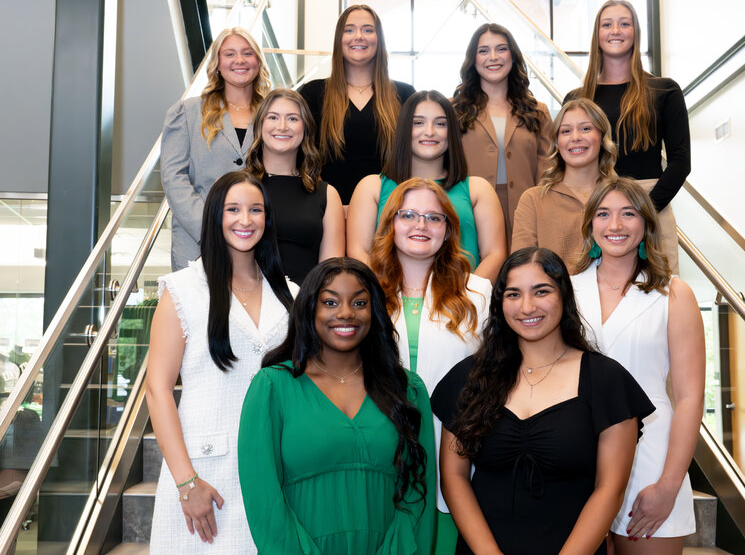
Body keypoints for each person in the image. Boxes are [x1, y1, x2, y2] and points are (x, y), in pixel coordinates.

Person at [432, 247, 655, 555]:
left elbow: (610, 490)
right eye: (513, 294)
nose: (527, 307)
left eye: (541, 291)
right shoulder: (469, 378)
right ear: (499, 304)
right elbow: (454, 478)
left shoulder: (607, 381)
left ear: (564, 296)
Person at [238, 258, 436, 554]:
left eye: (359, 303)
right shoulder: (271, 388)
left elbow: (420, 493)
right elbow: (264, 503)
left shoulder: (408, 389)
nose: (346, 313)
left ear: (375, 312)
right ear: (309, 310)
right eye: (330, 302)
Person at [146, 171, 296, 553]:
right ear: (215, 216)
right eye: (233, 209)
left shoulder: (291, 294)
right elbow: (158, 389)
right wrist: (186, 482)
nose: (245, 220)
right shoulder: (182, 290)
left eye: (255, 210)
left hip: (275, 474)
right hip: (204, 477)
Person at [571, 177, 705, 554]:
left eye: (628, 214)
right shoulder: (564, 289)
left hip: (652, 459)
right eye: (603, 214)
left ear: (646, 224)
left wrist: (669, 485)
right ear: (589, 226)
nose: (615, 225)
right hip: (578, 455)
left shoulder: (673, 293)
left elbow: (690, 397)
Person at [370, 178, 490, 553]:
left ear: (449, 230)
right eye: (408, 215)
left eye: (433, 218)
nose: (420, 225)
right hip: (379, 457)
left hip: (455, 463)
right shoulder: (362, 293)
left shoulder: (480, 294)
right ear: (390, 224)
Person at [566, 0, 689, 272]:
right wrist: (596, 210)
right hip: (594, 206)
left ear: (635, 33)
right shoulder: (577, 98)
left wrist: (642, 211)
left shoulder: (664, 91)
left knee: (659, 297)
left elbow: (681, 161)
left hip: (651, 203)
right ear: (597, 35)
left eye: (625, 23)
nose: (615, 30)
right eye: (607, 24)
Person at [347, 90, 507, 284]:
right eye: (418, 122)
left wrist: (469, 298)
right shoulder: (371, 187)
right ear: (404, 129)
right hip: (389, 304)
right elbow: (358, 252)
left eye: (440, 123)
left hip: (463, 306)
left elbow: (495, 255)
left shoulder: (478, 189)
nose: (430, 131)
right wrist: (386, 298)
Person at [161, 27, 271, 271]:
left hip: (257, 241)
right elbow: (173, 178)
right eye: (230, 54)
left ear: (258, 61)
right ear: (217, 64)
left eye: (247, 53)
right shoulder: (186, 112)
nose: (240, 60)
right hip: (197, 242)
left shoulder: (273, 113)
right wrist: (211, 226)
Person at [298, 5, 416, 204]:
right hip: (327, 210)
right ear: (339, 39)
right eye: (349, 29)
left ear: (379, 39)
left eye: (368, 30)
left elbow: (413, 160)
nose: (359, 36)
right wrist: (328, 206)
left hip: (388, 210)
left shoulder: (405, 95)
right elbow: (302, 156)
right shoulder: (312, 94)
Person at [452, 23, 552, 239]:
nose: (493, 57)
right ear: (473, 59)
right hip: (469, 212)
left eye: (501, 49)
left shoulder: (538, 112)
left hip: (527, 213)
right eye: (483, 51)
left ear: (513, 56)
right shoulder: (454, 110)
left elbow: (548, 172)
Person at [245, 88, 345, 284]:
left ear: (305, 128)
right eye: (273, 117)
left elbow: (330, 273)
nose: (282, 127)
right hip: (245, 303)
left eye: (292, 119)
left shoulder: (326, 194)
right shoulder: (234, 187)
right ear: (259, 125)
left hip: (303, 306)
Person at [511, 98, 617, 272]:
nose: (576, 137)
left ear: (602, 136)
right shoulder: (533, 200)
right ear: (557, 143)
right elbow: (521, 270)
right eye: (566, 131)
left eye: (585, 128)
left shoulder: (625, 196)